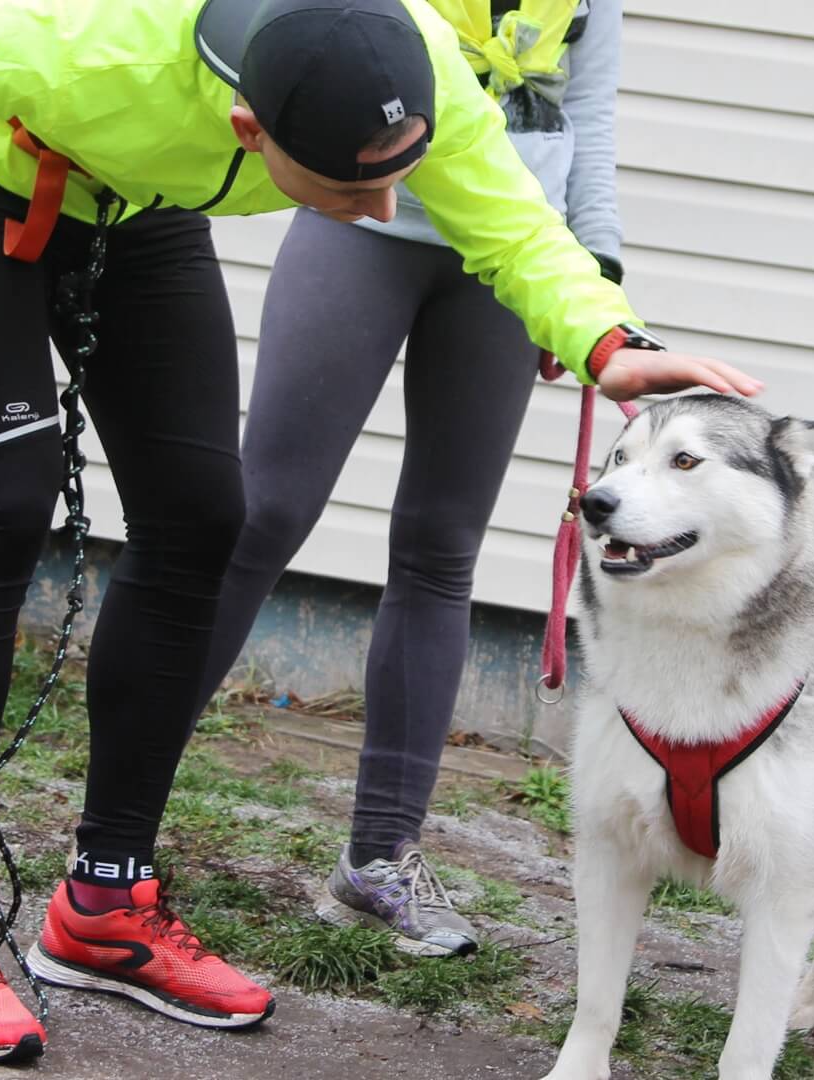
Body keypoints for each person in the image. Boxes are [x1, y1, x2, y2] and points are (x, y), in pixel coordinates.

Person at [0, 0, 761, 1063]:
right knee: (2, 504)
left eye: (395, 172)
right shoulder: (89, 43)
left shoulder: (418, 56)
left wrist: (606, 340)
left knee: (204, 518)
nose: (388, 202)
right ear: (252, 133)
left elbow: (506, 214)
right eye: (357, 190)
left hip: (142, 205)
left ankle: (106, 902)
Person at [196, 0, 629, 959]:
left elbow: (588, 121)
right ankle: (124, 814)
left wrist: (593, 272)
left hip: (507, 258)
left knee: (441, 548)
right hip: (362, 228)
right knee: (263, 513)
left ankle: (379, 860)